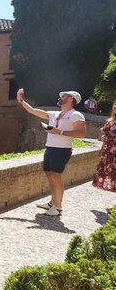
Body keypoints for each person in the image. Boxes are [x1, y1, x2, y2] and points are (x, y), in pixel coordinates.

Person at [17, 88, 87, 216]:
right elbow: (32, 111)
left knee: (56, 176)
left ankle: (58, 206)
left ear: (70, 98)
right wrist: (20, 100)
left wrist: (59, 131)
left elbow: (81, 133)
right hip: (50, 147)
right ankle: (52, 202)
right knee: (50, 175)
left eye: (63, 96)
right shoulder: (55, 114)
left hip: (62, 150)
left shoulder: (76, 115)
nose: (60, 98)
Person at [93, 101, 116, 193]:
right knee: (112, 176)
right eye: (114, 105)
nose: (115, 107)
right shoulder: (110, 121)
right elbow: (104, 134)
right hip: (108, 153)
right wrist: (103, 138)